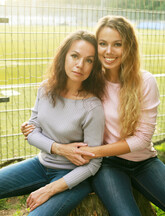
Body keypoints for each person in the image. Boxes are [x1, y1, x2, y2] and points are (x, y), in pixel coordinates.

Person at [22, 15, 165, 216]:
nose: (108, 51)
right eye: (103, 44)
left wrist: (92, 152)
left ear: (129, 47)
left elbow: (142, 139)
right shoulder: (90, 80)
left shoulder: (146, 82)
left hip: (143, 161)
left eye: (117, 44)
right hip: (108, 165)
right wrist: (34, 125)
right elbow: (65, 104)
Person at [0, 30, 106, 216]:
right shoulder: (46, 88)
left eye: (89, 60)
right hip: (40, 165)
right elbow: (32, 132)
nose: (80, 65)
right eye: (75, 56)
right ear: (64, 56)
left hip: (73, 177)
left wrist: (50, 189)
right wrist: (60, 148)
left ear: (94, 66)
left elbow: (93, 164)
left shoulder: (92, 106)